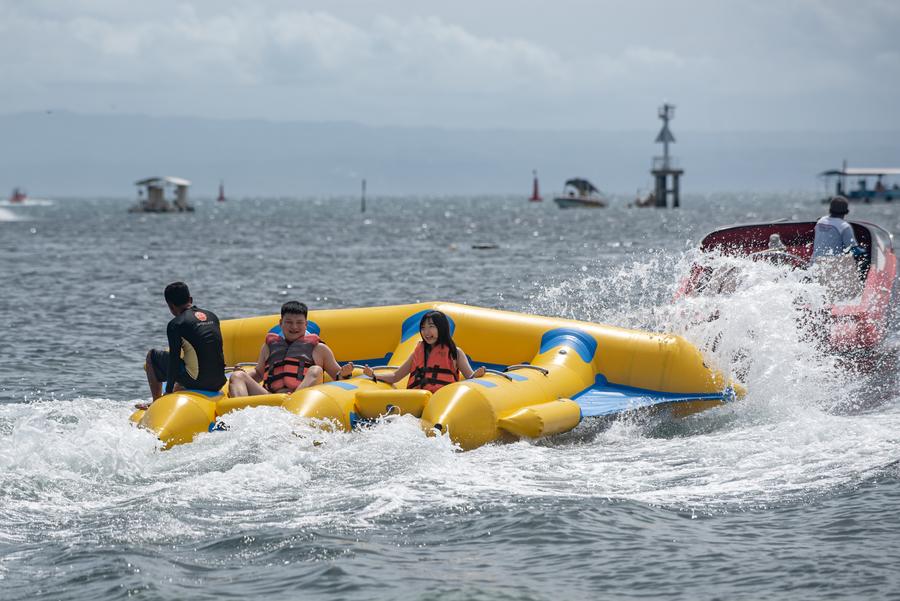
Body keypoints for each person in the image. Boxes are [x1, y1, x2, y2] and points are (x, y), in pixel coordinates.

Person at [228, 301, 353, 397]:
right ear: (280, 323)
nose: (294, 327)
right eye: (289, 322)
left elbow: (338, 378)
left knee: (316, 369)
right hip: (270, 398)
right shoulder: (268, 347)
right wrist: (244, 376)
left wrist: (344, 374)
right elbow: (259, 373)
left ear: (306, 324)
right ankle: (240, 412)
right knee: (237, 376)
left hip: (300, 399)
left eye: (299, 322)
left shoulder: (320, 349)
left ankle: (293, 402)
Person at [143, 282, 226, 405]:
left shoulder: (176, 324)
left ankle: (156, 403)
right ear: (190, 299)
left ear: (170, 306)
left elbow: (174, 360)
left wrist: (168, 391)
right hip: (219, 381)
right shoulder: (212, 316)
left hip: (198, 381)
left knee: (151, 355)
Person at [362, 310, 485, 392]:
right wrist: (373, 375)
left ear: (441, 328)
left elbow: (470, 377)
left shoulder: (455, 353)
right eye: (423, 328)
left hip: (442, 399)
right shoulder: (418, 352)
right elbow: (396, 376)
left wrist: (477, 375)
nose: (426, 332)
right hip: (417, 398)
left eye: (431, 327)